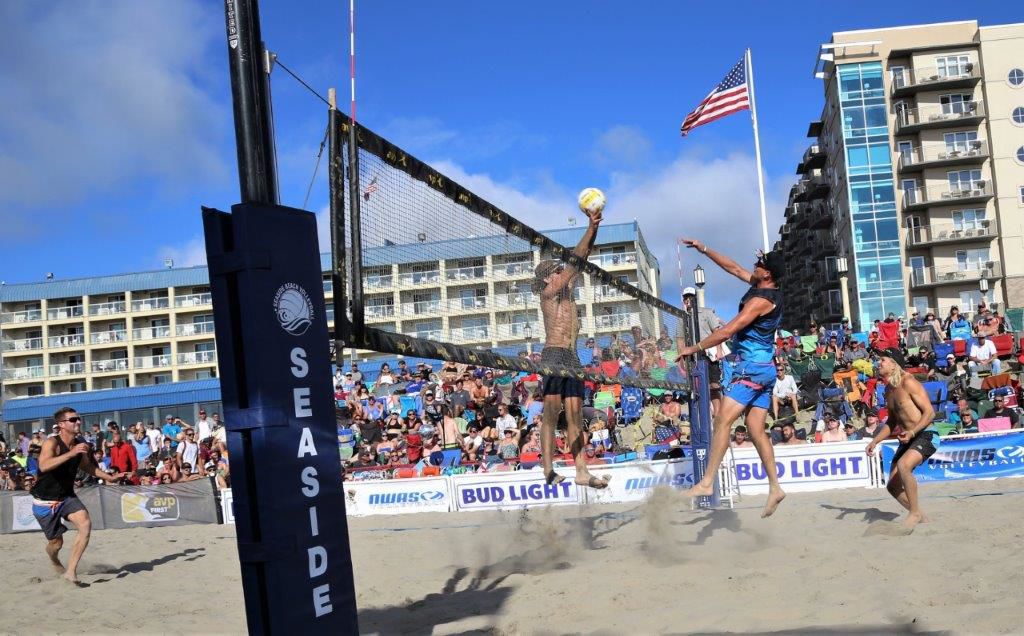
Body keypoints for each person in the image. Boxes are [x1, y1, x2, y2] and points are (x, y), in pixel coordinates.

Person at [676, 239, 786, 517]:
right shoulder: (762, 287)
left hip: (750, 369)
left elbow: (728, 331)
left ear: (768, 274)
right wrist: (705, 249)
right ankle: (775, 487)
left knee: (722, 419)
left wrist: (693, 348)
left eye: (760, 265)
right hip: (764, 369)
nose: (755, 266)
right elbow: (733, 267)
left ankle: (706, 481)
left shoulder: (761, 301)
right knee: (756, 429)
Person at [534, 203, 608, 489]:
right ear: (546, 277)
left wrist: (595, 226)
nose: (561, 272)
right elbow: (576, 260)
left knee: (576, 417)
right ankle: (548, 470)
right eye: (556, 270)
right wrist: (589, 228)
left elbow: (583, 255)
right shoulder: (549, 292)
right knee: (551, 414)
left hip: (573, 356)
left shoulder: (567, 291)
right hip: (553, 353)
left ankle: (581, 472)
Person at [31, 407, 125, 586]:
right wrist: (71, 453)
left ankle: (71, 571)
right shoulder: (52, 443)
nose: (78, 422)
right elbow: (43, 466)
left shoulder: (80, 442)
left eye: (78, 419)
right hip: (45, 501)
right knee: (56, 544)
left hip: (66, 496)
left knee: (85, 524)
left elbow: (87, 467)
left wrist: (109, 476)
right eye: (73, 420)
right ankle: (53, 558)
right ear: (61, 425)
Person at [865, 349, 938, 531]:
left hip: (926, 434)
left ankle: (913, 513)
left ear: (893, 364)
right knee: (892, 486)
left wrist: (912, 432)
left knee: (904, 466)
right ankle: (922, 517)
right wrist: (875, 441)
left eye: (882, 360)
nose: (878, 363)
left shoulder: (909, 382)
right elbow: (891, 422)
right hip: (908, 438)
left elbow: (930, 413)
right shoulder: (888, 389)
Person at [677, 286, 726, 414]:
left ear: (695, 299)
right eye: (686, 298)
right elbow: (680, 339)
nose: (688, 300)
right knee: (696, 387)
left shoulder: (707, 312)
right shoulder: (682, 317)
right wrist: (680, 358)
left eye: (690, 297)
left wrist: (719, 351)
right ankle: (703, 415)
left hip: (709, 353)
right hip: (692, 355)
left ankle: (718, 415)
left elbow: (717, 332)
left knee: (714, 386)